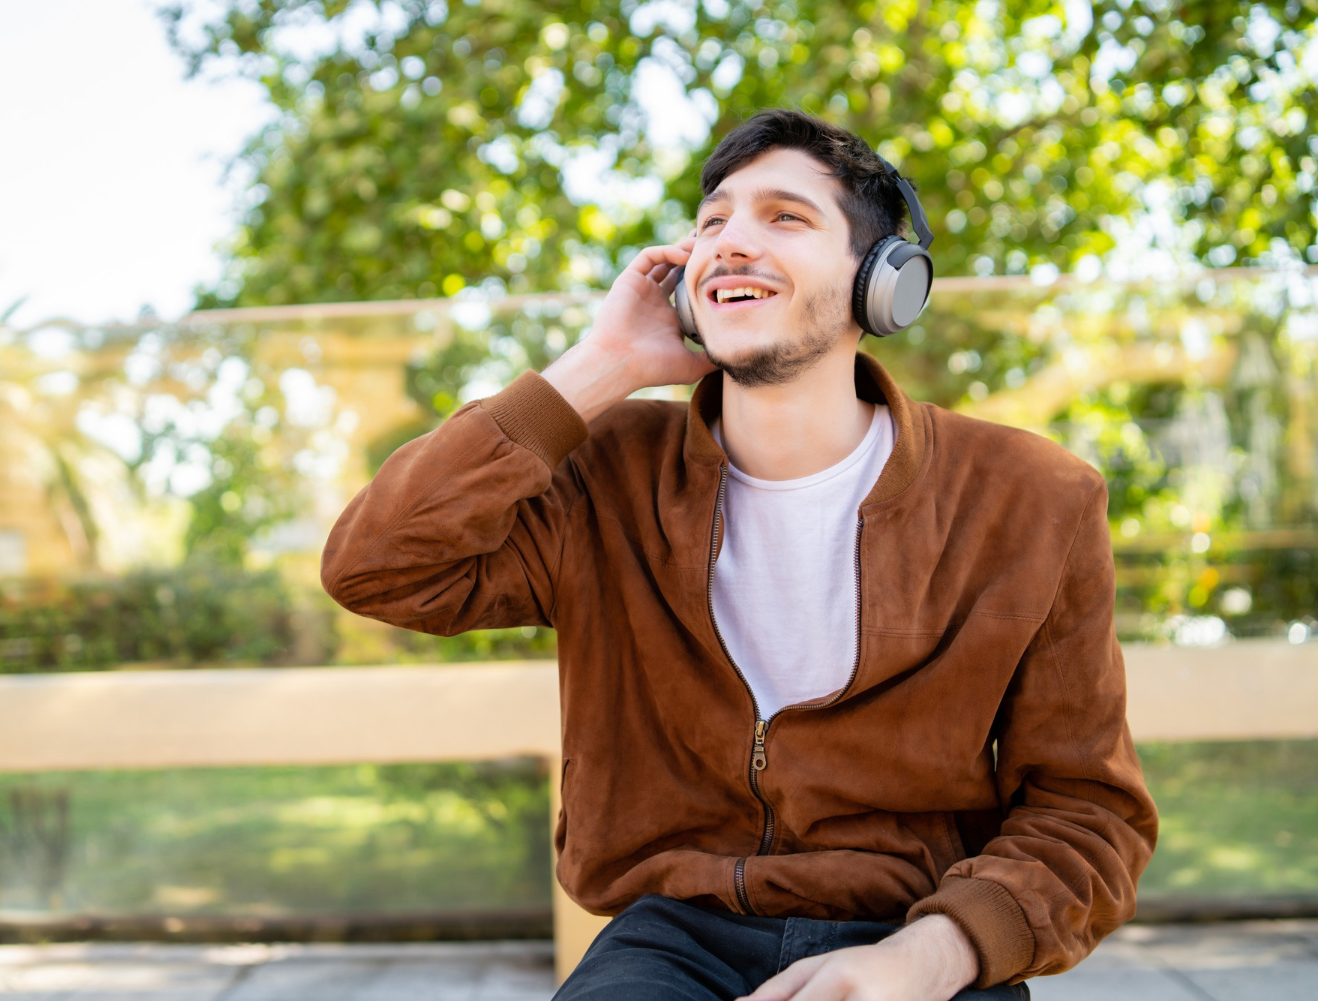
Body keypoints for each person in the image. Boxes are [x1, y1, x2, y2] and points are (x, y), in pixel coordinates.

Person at [321, 109, 1158, 1001]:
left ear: (882, 281)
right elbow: (378, 565)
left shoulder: (1034, 498)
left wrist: (932, 955)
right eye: (713, 221)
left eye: (785, 217)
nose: (728, 242)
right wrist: (602, 364)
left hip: (921, 934)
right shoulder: (604, 473)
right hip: (670, 938)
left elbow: (1087, 810)